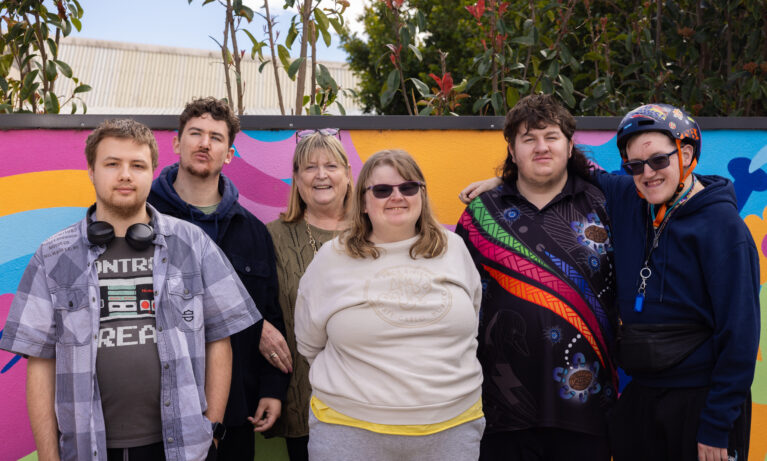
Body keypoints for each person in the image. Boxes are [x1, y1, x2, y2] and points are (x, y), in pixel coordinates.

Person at [460, 103, 760, 461]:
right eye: (635, 165)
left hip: (692, 403)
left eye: (660, 161)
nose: (648, 173)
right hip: (630, 402)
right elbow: (565, 165)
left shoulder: (721, 227)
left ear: (687, 154)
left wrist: (717, 424)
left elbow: (740, 335)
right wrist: (505, 180)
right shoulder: (628, 197)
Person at [0, 119, 261, 461]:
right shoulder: (53, 255)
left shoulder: (192, 244)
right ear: (91, 171)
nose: (125, 175)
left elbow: (219, 340)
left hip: (180, 448)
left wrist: (209, 433)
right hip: (88, 449)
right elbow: (40, 363)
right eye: (112, 164)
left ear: (152, 172)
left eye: (137, 165)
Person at [295, 149, 485, 461]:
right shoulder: (331, 258)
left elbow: (471, 322)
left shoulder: (454, 248)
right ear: (364, 202)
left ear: (421, 194)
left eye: (408, 187)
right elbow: (309, 342)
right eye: (382, 190)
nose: (396, 197)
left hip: (452, 428)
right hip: (348, 430)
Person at [455, 94, 617, 461]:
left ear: (570, 144)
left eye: (551, 136)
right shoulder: (482, 213)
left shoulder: (604, 203)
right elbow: (457, 298)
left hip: (588, 408)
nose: (541, 147)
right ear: (512, 151)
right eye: (528, 139)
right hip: (501, 412)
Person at [147, 97, 289, 460]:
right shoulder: (140, 221)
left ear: (228, 154)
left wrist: (272, 388)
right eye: (195, 133)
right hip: (151, 408)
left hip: (233, 411)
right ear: (177, 143)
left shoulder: (252, 232)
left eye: (216, 137)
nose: (204, 143)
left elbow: (269, 314)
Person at [265, 129, 352, 461]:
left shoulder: (375, 230)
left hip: (374, 401)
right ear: (297, 179)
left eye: (330, 165)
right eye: (309, 167)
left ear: (347, 174)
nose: (321, 175)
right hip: (306, 400)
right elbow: (261, 310)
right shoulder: (273, 237)